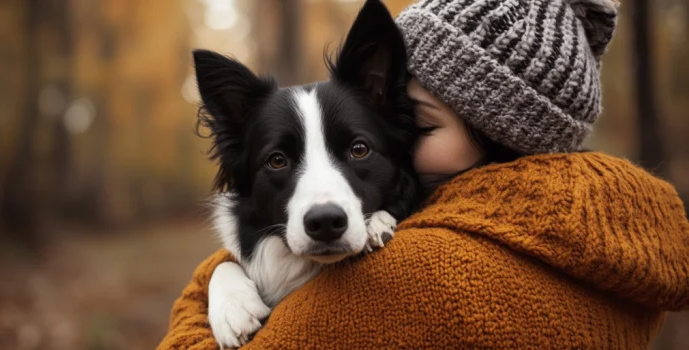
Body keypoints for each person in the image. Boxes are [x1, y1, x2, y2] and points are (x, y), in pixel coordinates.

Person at [158, 0, 689, 348]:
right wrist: (226, 277)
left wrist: (207, 289)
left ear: (501, 137)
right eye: (279, 160)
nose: (403, 138)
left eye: (422, 124)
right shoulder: (602, 240)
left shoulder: (423, 276)